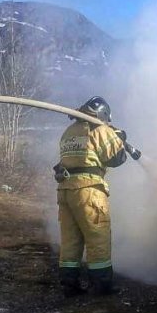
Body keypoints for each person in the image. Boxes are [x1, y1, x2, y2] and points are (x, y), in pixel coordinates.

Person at [55, 96, 127, 297]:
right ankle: (101, 285)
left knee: (71, 239)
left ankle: (70, 284)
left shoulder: (69, 131)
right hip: (89, 191)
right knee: (98, 237)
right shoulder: (99, 129)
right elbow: (117, 158)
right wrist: (118, 138)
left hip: (65, 190)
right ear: (103, 114)